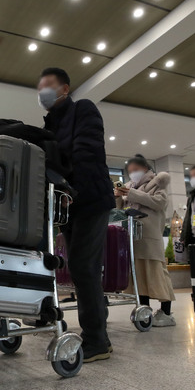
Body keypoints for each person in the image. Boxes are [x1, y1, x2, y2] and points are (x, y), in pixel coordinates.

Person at [38, 67, 115, 362]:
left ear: (65, 89)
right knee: (82, 269)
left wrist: (72, 190)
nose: (42, 92)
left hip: (92, 198)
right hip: (69, 205)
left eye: (48, 86)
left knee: (84, 267)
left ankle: (98, 340)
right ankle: (98, 327)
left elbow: (87, 151)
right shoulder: (49, 126)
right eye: (40, 88)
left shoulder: (83, 109)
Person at [115, 155, 176, 327]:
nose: (133, 174)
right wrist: (119, 196)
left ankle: (166, 312)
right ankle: (145, 311)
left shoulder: (157, 182)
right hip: (133, 237)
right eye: (130, 171)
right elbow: (119, 209)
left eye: (136, 170)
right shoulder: (129, 187)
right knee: (138, 276)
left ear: (145, 168)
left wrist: (132, 194)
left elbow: (159, 202)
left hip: (149, 236)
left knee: (157, 274)